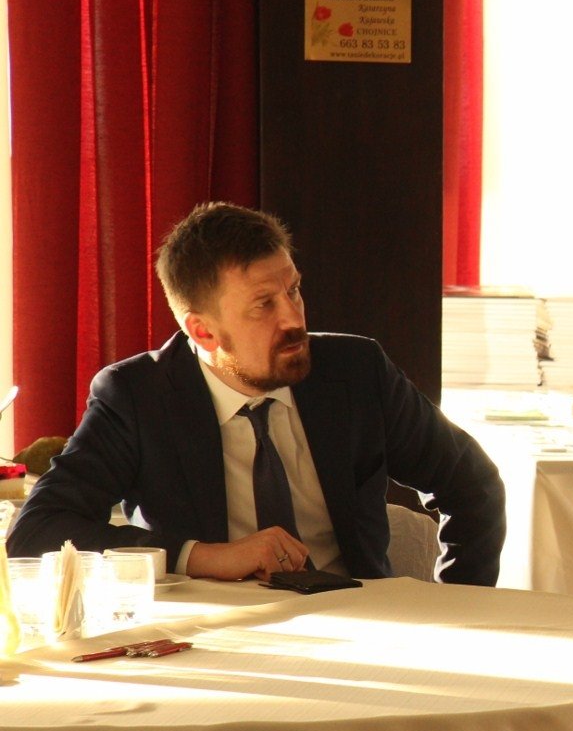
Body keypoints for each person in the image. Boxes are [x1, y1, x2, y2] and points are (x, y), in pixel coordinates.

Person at [6, 202, 505, 585]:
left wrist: (459, 606)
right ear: (203, 331)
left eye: (293, 290)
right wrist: (204, 557)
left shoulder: (356, 373)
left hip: (359, 618)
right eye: (263, 305)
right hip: (209, 639)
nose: (293, 319)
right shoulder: (138, 396)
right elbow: (39, 531)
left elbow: (473, 487)